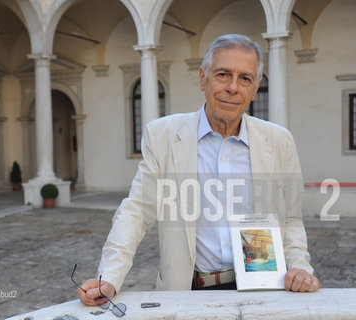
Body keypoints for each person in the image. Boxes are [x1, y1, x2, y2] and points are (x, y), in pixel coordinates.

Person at [77, 34, 320, 306]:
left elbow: (290, 218)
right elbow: (136, 212)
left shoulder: (279, 141)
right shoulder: (163, 136)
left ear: (255, 88)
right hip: (187, 294)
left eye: (245, 78)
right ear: (203, 78)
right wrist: (109, 276)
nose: (232, 87)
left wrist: (300, 266)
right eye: (223, 74)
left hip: (263, 291)